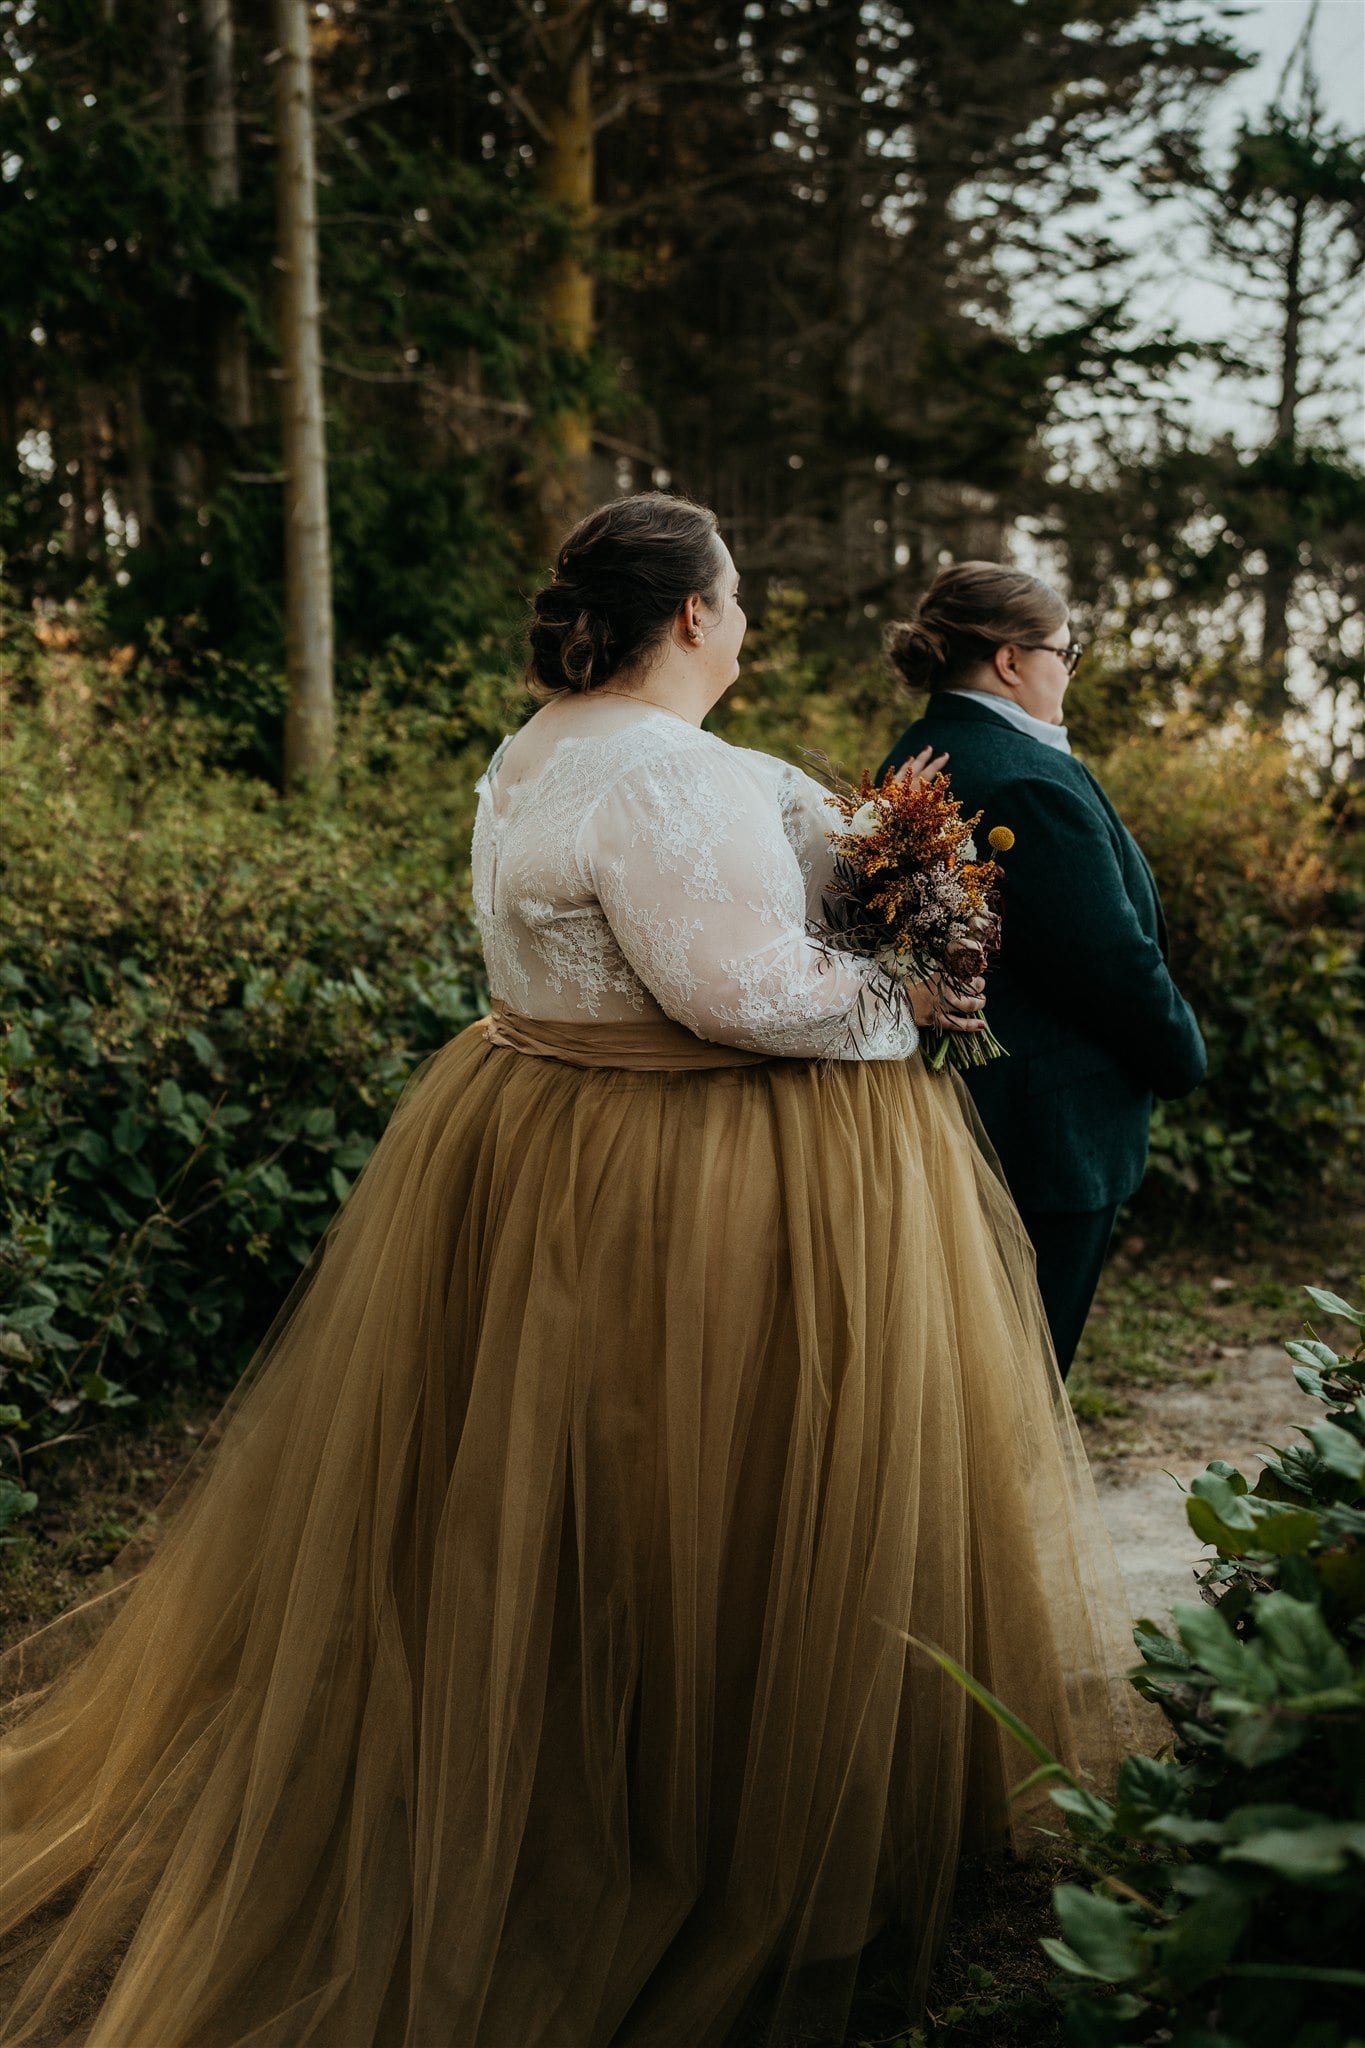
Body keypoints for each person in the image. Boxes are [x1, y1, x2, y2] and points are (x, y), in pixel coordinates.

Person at [0, 499, 1136, 2048]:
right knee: (690, 1482)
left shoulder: (547, 744)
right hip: (675, 1163)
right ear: (689, 617)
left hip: (535, 1129)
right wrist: (912, 995)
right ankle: (679, 1818)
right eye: (734, 597)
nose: (744, 622)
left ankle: (538, 1762)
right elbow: (743, 996)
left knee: (552, 1479)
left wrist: (860, 865)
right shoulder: (660, 769)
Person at [879, 562, 1208, 1379]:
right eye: (1067, 651)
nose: (1069, 669)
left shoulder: (925, 751)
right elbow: (1107, 960)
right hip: (1045, 1135)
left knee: (966, 1374)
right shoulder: (1022, 776)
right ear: (1010, 660)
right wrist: (1183, 1058)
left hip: (961, 1109)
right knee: (1021, 1381)